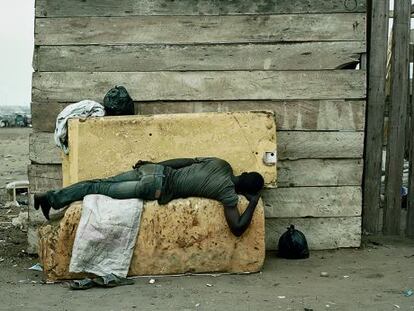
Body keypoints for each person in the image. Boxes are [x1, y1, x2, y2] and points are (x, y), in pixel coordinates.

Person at [34, 157, 264, 236]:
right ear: (244, 191)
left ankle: (50, 197)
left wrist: (153, 164)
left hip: (153, 170)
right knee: (97, 189)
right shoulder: (227, 194)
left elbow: (182, 161)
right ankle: (49, 199)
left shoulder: (221, 164)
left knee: (98, 183)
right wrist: (252, 203)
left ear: (242, 173)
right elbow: (237, 228)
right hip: (154, 187)